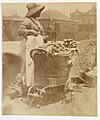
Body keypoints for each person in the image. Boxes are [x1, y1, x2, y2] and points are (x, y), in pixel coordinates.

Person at [18, 3, 46, 87]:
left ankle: (33, 84)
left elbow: (40, 33)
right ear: (34, 12)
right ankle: (26, 86)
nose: (40, 12)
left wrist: (43, 37)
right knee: (28, 66)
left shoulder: (37, 21)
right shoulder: (27, 20)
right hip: (28, 47)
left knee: (36, 66)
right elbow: (20, 31)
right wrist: (31, 32)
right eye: (38, 11)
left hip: (36, 47)